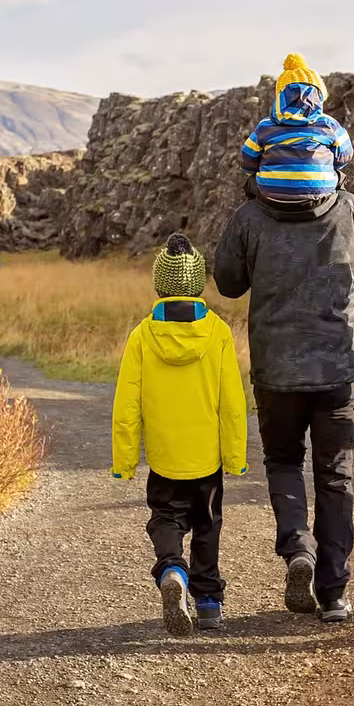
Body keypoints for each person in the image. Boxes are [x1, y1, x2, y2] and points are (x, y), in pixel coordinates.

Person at [212, 152, 354, 625]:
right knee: (335, 475)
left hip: (276, 370)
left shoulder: (248, 216)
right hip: (337, 368)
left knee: (284, 461)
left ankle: (297, 548)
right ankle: (333, 594)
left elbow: (227, 282)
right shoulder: (348, 207)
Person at [111, 233, 249, 637]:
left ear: (159, 285)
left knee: (166, 518)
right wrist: (236, 457)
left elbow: (127, 404)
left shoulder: (142, 336)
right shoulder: (218, 332)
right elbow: (232, 402)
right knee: (207, 526)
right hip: (206, 458)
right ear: (198, 284)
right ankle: (208, 603)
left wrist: (124, 462)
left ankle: (172, 569)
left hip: (165, 457)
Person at [240, 53, 354, 205]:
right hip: (319, 194)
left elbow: (246, 159)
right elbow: (345, 155)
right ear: (319, 96)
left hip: (271, 193)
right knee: (340, 178)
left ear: (280, 97)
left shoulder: (265, 126)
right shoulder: (329, 124)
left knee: (251, 182)